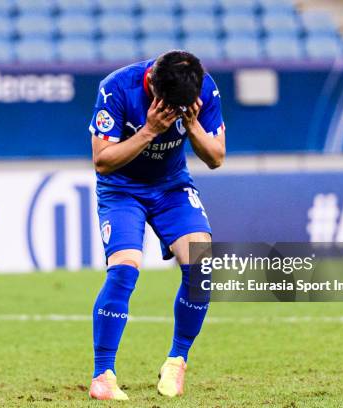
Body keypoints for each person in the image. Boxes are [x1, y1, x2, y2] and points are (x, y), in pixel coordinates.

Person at [87, 50, 226, 400]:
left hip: (171, 186)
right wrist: (150, 130)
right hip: (122, 189)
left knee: (202, 264)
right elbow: (103, 162)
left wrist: (192, 125)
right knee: (125, 268)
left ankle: (177, 361)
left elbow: (216, 157)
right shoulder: (116, 89)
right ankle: (103, 374)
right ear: (155, 92)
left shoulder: (203, 89)